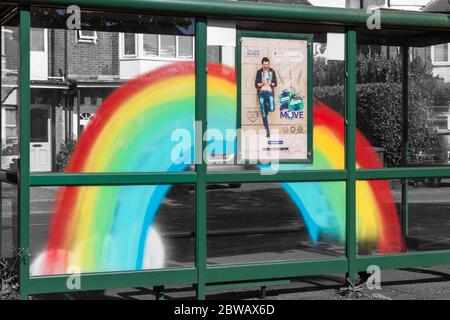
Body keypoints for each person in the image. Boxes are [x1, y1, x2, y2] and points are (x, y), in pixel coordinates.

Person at [255, 57, 277, 137]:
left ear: (269, 64)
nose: (266, 66)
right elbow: (256, 84)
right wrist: (262, 84)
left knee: (271, 108)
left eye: (267, 64)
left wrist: (271, 83)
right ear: (262, 64)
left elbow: (275, 84)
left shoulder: (272, 71)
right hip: (261, 93)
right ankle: (267, 131)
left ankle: (267, 109)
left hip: (270, 92)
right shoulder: (259, 72)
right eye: (264, 64)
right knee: (264, 113)